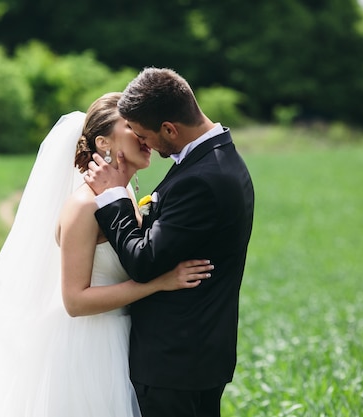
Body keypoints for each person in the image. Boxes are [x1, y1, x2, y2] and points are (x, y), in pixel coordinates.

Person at [0, 92, 214, 417]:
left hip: (127, 339)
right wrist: (159, 283)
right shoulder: (83, 206)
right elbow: (75, 301)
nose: (145, 137)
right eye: (132, 129)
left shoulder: (121, 194)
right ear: (103, 143)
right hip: (88, 348)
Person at [85, 68, 255, 417]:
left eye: (145, 135)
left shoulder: (203, 179)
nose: (143, 143)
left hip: (174, 363)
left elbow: (144, 261)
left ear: (169, 129)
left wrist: (113, 196)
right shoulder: (218, 159)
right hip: (196, 355)